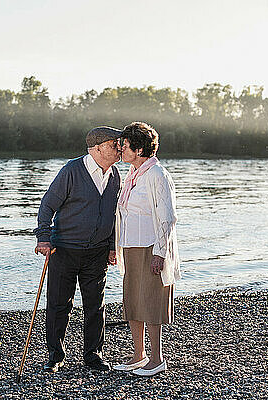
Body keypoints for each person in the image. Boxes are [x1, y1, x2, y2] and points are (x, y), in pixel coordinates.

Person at [33, 126, 122, 372]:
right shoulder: (72, 170)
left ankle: (93, 355)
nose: (119, 148)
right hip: (64, 249)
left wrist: (112, 246)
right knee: (60, 304)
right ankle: (55, 355)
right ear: (96, 148)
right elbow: (48, 204)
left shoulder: (115, 175)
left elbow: (114, 214)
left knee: (95, 305)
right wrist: (43, 237)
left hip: (97, 252)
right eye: (114, 144)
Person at [112, 121, 181, 377]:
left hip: (152, 248)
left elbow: (167, 217)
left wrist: (160, 253)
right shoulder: (133, 174)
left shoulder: (157, 175)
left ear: (139, 149)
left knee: (151, 302)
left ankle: (157, 359)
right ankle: (138, 354)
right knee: (133, 301)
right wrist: (115, 248)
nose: (121, 150)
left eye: (125, 146)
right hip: (131, 246)